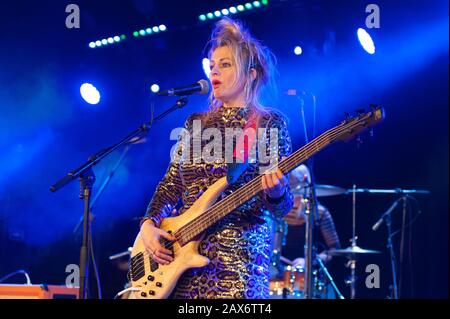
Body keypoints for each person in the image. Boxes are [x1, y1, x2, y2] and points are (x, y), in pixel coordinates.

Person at [139, 17, 293, 299]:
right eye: (212, 66)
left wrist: (277, 192)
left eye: (225, 64)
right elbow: (172, 184)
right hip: (180, 262)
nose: (214, 72)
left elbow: (282, 209)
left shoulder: (268, 123)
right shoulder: (195, 123)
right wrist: (148, 225)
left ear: (251, 73)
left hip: (238, 266)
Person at [270, 164, 341, 275]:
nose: (294, 196)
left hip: (308, 274)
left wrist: (309, 262)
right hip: (276, 274)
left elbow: (334, 249)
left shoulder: (320, 213)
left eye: (296, 190)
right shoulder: (275, 211)